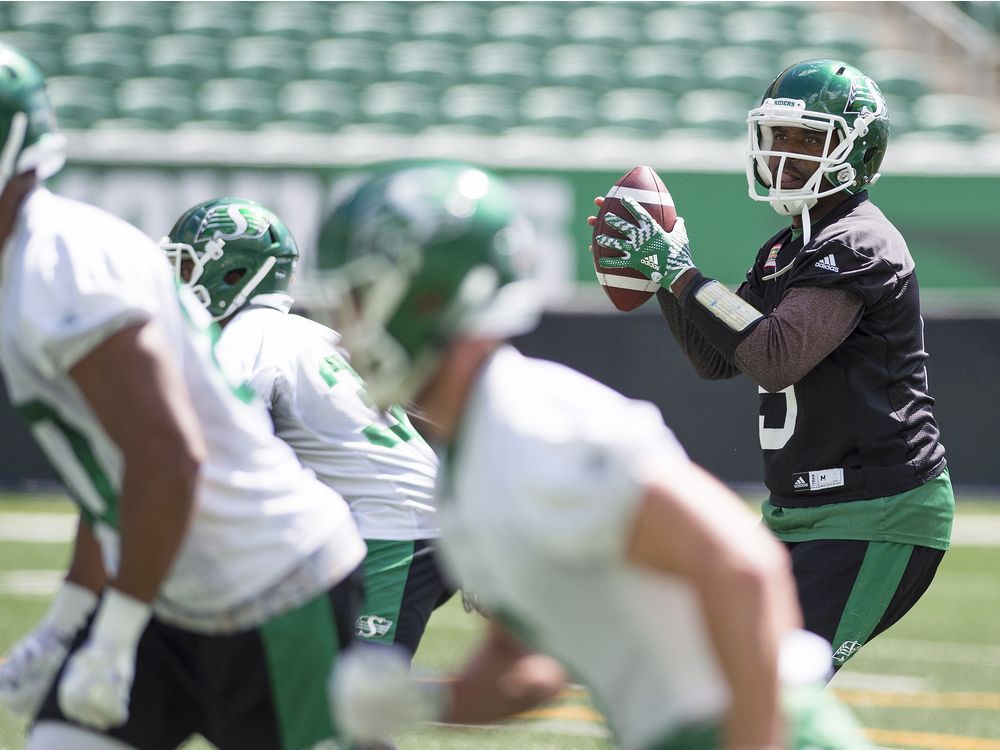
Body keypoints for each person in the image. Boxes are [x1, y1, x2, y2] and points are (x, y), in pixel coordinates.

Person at [318, 161, 873, 749]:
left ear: (429, 299)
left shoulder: (538, 428)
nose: (342, 328)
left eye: (358, 298)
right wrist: (423, 700)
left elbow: (745, 568)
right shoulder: (466, 464)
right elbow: (528, 666)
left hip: (760, 726)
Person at [0, 44, 367, 750]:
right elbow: (111, 463)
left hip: (275, 587)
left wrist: (111, 636)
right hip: (173, 586)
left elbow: (167, 457)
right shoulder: (31, 256)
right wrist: (64, 623)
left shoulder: (60, 263)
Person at [591, 58, 954, 671]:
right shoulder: (787, 247)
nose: (787, 154)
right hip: (802, 512)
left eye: (809, 139)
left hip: (874, 511)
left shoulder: (860, 241)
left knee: (767, 692)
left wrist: (682, 275)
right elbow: (716, 356)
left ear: (856, 151)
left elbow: (774, 356)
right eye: (779, 137)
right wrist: (664, 275)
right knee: (711, 673)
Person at [158, 196, 454, 657]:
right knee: (291, 690)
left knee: (348, 705)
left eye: (186, 268)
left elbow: (222, 441)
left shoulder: (248, 336)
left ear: (232, 273)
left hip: (392, 530)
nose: (175, 285)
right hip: (391, 523)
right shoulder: (304, 332)